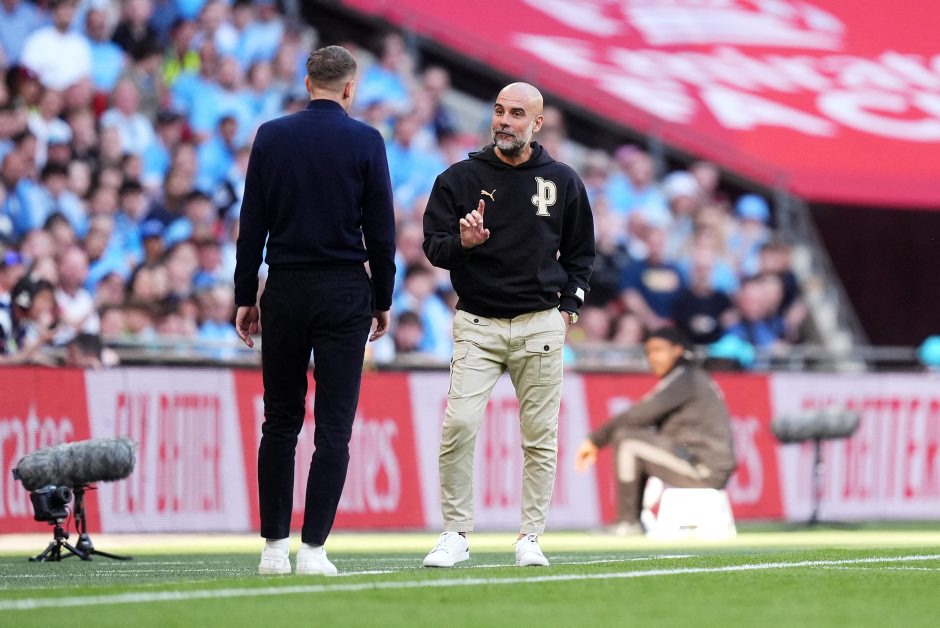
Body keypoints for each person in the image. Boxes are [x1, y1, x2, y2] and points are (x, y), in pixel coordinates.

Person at [233, 45, 395, 577]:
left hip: (285, 287)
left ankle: (273, 550)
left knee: (279, 421)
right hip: (344, 291)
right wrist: (382, 298)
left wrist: (245, 294)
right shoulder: (366, 140)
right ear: (350, 88)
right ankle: (314, 551)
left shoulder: (271, 136)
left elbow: (251, 224)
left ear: (307, 83)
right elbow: (382, 232)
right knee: (333, 427)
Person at [421, 82, 595, 568]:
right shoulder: (458, 178)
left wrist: (569, 308)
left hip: (540, 324)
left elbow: (581, 253)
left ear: (537, 123)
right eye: (499, 110)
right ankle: (455, 533)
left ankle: (530, 537)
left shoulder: (562, 180)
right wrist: (464, 243)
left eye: (517, 113)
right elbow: (433, 247)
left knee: (539, 437)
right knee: (458, 424)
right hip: (478, 323)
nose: (504, 120)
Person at [574, 327, 736, 536]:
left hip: (703, 468)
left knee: (626, 440)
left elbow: (637, 415)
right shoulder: (691, 376)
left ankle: (628, 523)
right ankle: (632, 520)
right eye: (648, 352)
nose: (652, 357)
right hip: (703, 464)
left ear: (677, 351)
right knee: (635, 439)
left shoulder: (686, 378)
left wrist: (595, 440)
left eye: (658, 350)